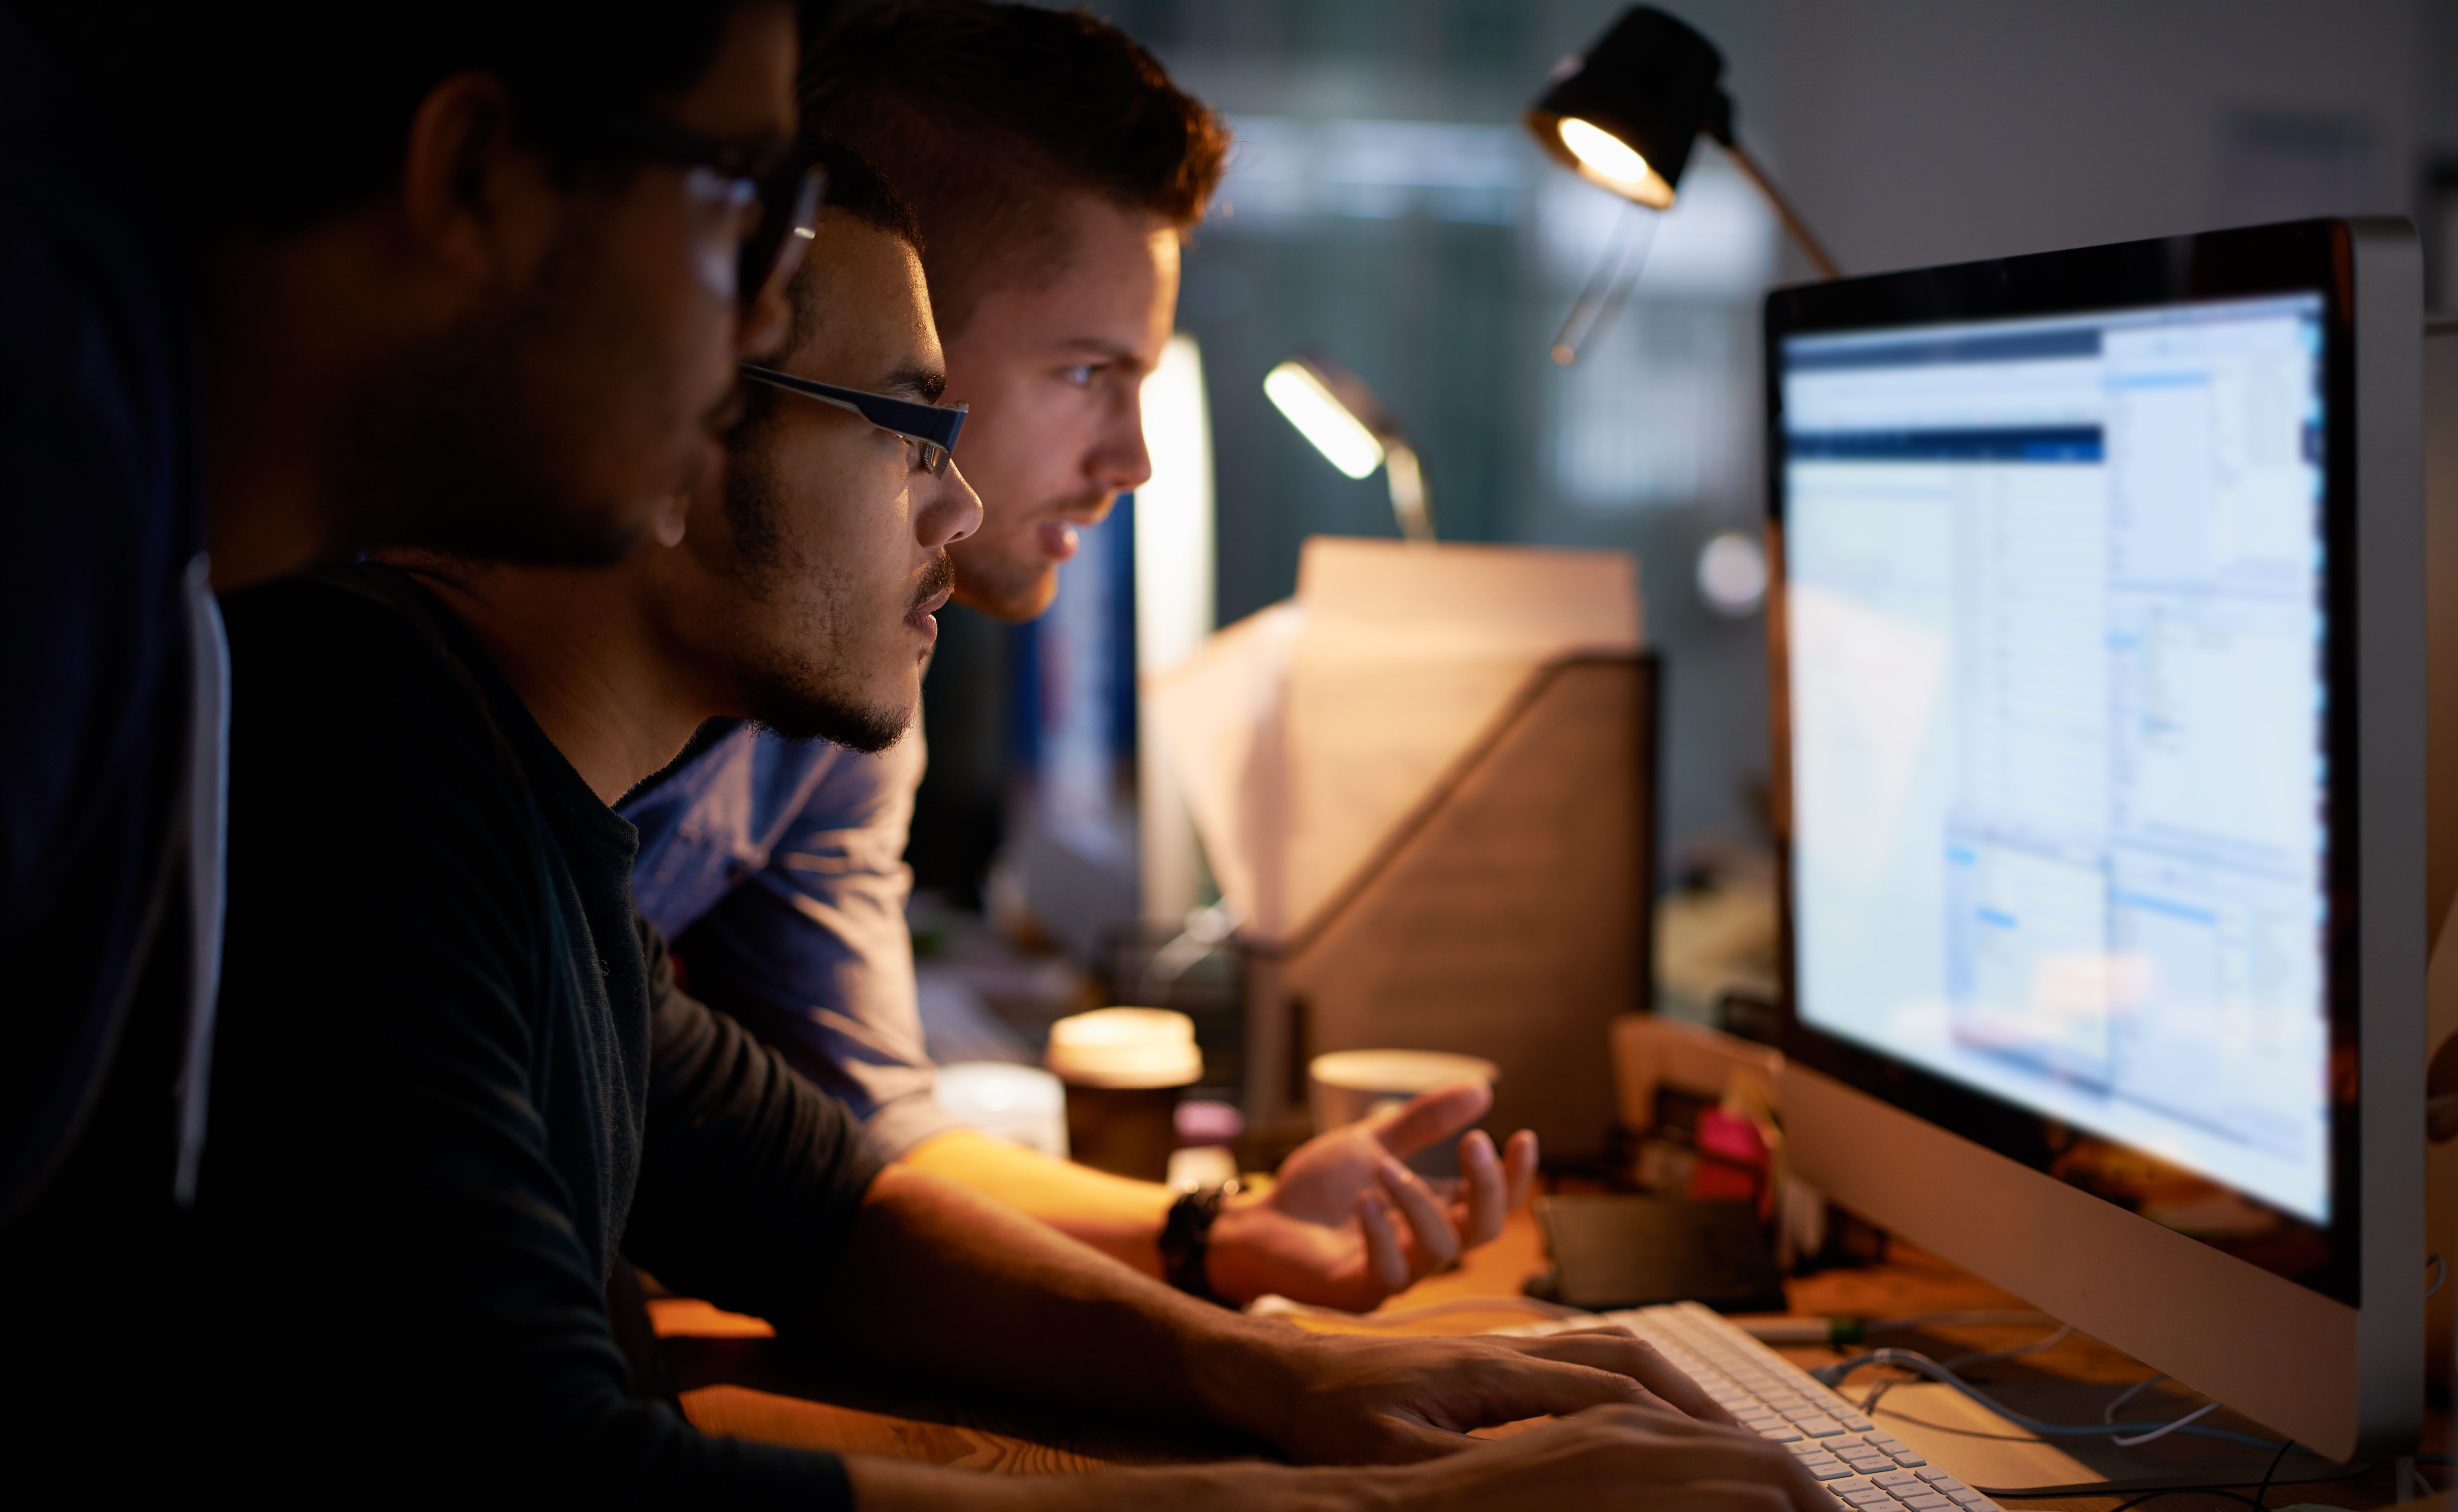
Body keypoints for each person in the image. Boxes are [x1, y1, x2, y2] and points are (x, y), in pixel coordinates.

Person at [167, 138, 1827, 1509]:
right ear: (676, 434)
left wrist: (1286, 1371)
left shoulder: (531, 818)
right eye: (910, 430)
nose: (958, 514)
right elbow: (556, 1484)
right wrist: (1377, 1509)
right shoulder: (361, 763)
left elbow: (827, 1213)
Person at [619, 0, 1515, 1314]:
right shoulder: (440, 704)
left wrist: (1219, 1229)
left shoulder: (848, 697)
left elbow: (870, 1136)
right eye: (1089, 372)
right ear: (866, 304)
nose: (1132, 462)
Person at [0, 0, 820, 1225]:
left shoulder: (146, 504)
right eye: (744, 199)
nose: (763, 319)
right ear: (475, 172)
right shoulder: (45, 440)